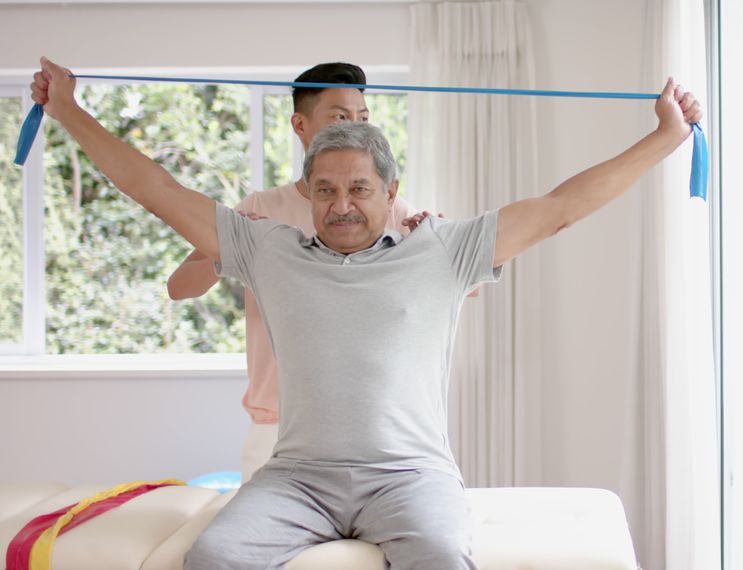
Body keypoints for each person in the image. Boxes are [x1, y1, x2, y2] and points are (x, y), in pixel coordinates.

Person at [31, 55, 702, 569]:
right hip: (298, 477)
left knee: (443, 558)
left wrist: (666, 139)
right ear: (309, 191)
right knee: (212, 557)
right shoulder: (269, 247)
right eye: (325, 190)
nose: (340, 203)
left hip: (410, 475)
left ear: (391, 191)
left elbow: (560, 209)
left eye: (357, 188)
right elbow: (158, 189)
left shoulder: (445, 247)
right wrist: (68, 110)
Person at [164, 62, 423, 482]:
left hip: (372, 425)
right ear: (300, 125)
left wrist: (425, 243)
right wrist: (235, 249)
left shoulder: (391, 209)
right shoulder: (260, 210)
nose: (355, 128)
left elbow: (465, 291)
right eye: (340, 117)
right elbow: (179, 287)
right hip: (279, 426)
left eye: (362, 118)